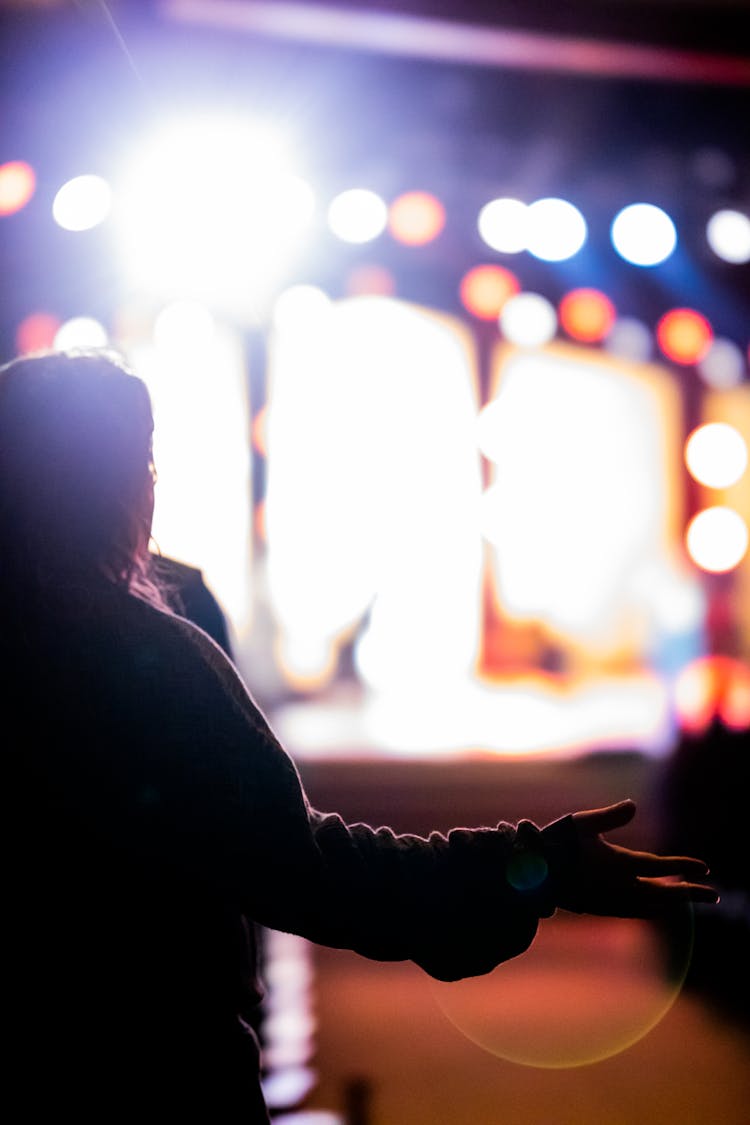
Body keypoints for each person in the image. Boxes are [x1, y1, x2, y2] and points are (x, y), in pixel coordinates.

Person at [0, 350, 717, 1122]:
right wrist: (542, 866)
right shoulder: (146, 660)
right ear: (109, 487)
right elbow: (315, 872)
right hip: (156, 1078)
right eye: (139, 460)